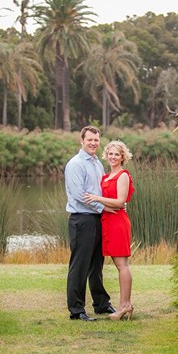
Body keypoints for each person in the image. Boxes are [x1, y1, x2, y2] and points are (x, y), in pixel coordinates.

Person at [64, 126, 115, 321]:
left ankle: (101, 304)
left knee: (96, 264)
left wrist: (114, 204)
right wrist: (103, 208)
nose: (93, 143)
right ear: (81, 141)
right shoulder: (75, 164)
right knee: (80, 265)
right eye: (89, 140)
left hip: (97, 219)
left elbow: (100, 191)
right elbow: (79, 195)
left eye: (96, 140)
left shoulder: (97, 164)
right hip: (82, 219)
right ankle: (76, 310)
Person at [84, 140, 135, 321]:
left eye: (117, 154)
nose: (113, 157)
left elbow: (120, 202)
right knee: (118, 265)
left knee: (122, 265)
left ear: (123, 157)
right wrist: (102, 204)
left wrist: (97, 198)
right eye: (111, 154)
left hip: (118, 222)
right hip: (107, 221)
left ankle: (125, 305)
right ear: (107, 155)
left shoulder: (122, 175)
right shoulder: (106, 176)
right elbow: (109, 201)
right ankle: (125, 305)